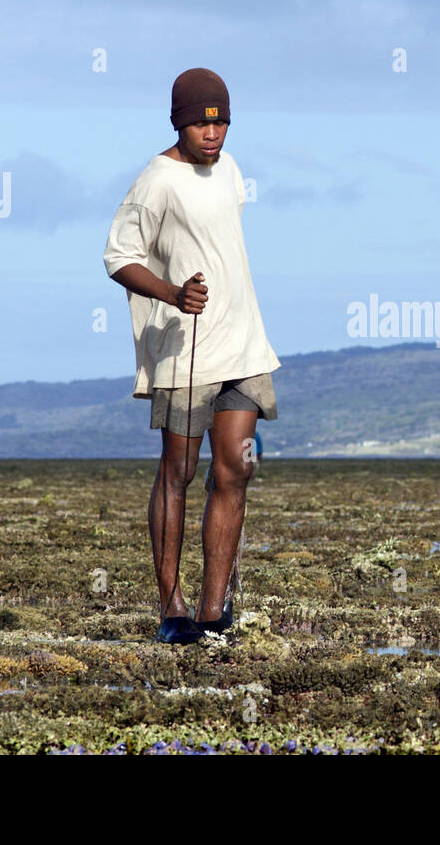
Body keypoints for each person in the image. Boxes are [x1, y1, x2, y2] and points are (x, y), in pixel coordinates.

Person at [103, 68, 280, 644]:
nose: (213, 134)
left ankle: (212, 610)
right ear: (179, 121)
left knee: (237, 468)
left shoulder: (230, 171)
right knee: (177, 473)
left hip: (244, 344)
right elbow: (118, 257)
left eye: (222, 122)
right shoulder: (157, 180)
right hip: (185, 348)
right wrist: (174, 294)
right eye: (202, 123)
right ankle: (172, 606)